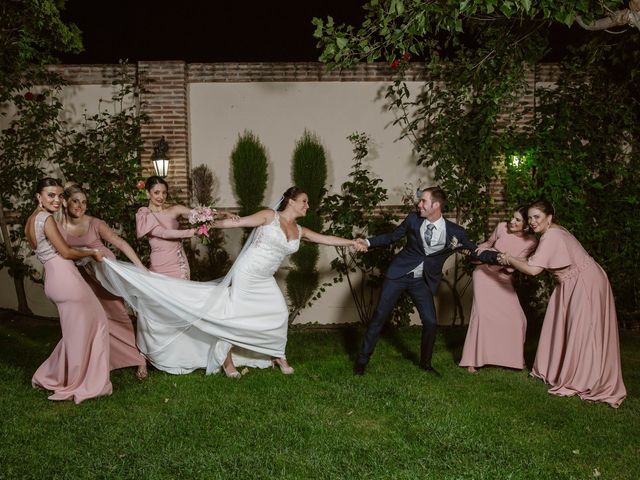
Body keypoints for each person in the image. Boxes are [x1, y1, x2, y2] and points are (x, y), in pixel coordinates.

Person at [93, 186, 365, 378]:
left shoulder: (299, 230)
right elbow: (237, 223)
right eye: (304, 201)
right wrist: (208, 222)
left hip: (265, 278)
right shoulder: (269, 217)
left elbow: (325, 239)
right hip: (247, 274)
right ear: (291, 201)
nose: (307, 205)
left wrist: (352, 242)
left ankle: (277, 353)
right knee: (234, 316)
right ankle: (226, 359)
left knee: (279, 313)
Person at [353, 186, 497, 375]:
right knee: (380, 316)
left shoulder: (456, 232)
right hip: (398, 275)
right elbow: (392, 237)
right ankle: (362, 360)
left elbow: (472, 250)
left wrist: (500, 258)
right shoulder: (413, 219)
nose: (419, 204)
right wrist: (368, 242)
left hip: (422, 280)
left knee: (430, 321)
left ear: (436, 205)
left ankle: (426, 364)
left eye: (423, 201)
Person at [499, 200, 626, 408]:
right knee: (564, 327)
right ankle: (560, 369)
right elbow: (533, 264)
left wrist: (508, 259)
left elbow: (533, 270)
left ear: (549, 218)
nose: (532, 222)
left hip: (584, 282)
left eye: (536, 217)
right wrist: (512, 258)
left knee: (585, 330)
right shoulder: (552, 232)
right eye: (529, 217)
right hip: (571, 281)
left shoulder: (552, 236)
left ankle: (586, 378)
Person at [25, 178, 112, 404]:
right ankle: (83, 382)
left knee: (76, 333)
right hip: (66, 280)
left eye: (60, 195)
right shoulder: (46, 219)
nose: (57, 200)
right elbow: (64, 252)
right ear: (38, 196)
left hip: (54, 280)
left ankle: (51, 375)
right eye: (50, 195)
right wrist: (91, 251)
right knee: (99, 323)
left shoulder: (31, 220)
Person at [59, 182, 148, 380]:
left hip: (105, 277)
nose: (80, 206)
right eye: (75, 201)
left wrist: (141, 268)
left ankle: (139, 359)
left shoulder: (95, 223)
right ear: (64, 202)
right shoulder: (58, 226)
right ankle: (100, 362)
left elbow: (121, 244)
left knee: (118, 315)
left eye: (84, 202)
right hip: (81, 279)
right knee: (90, 320)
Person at [459, 206, 537, 373]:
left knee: (518, 320)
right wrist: (476, 252)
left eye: (517, 220)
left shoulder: (531, 242)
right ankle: (472, 360)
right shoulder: (501, 227)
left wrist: (505, 261)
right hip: (483, 274)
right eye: (512, 217)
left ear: (526, 226)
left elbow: (517, 263)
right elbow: (488, 244)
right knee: (481, 315)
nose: (511, 221)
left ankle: (513, 359)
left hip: (503, 278)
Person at [135, 176, 198, 279]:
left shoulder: (175, 209)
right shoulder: (144, 214)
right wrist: (192, 232)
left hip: (177, 265)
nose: (161, 196)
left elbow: (201, 215)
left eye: (164, 192)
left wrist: (223, 214)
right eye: (157, 192)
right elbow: (164, 233)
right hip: (157, 267)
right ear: (148, 193)